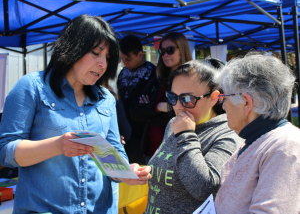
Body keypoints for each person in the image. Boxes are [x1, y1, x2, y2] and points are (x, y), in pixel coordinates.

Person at [0, 14, 151, 214]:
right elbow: (6, 152)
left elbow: (113, 151)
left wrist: (127, 173)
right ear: (73, 47)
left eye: (107, 57)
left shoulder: (106, 98)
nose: (103, 64)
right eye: (96, 53)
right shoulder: (32, 87)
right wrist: (56, 145)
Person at [144, 60, 242, 214]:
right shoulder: (173, 124)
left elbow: (205, 188)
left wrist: (185, 135)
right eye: (173, 97)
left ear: (214, 98)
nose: (178, 106)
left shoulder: (227, 134)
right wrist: (142, 172)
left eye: (188, 99)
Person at [214, 53, 300, 213]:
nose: (223, 106)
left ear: (246, 103)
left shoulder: (285, 148)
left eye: (224, 97)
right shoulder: (258, 139)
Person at [131, 32, 192, 164]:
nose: (165, 55)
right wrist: (158, 106)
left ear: (182, 50)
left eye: (170, 50)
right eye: (162, 51)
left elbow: (177, 115)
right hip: (150, 152)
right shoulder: (157, 80)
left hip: (175, 153)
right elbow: (135, 111)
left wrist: (148, 112)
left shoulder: (190, 81)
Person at [117, 35, 156, 164]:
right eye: (122, 59)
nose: (125, 63)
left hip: (142, 134)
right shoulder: (123, 73)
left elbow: (151, 105)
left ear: (140, 54)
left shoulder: (153, 73)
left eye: (128, 59)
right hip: (124, 132)